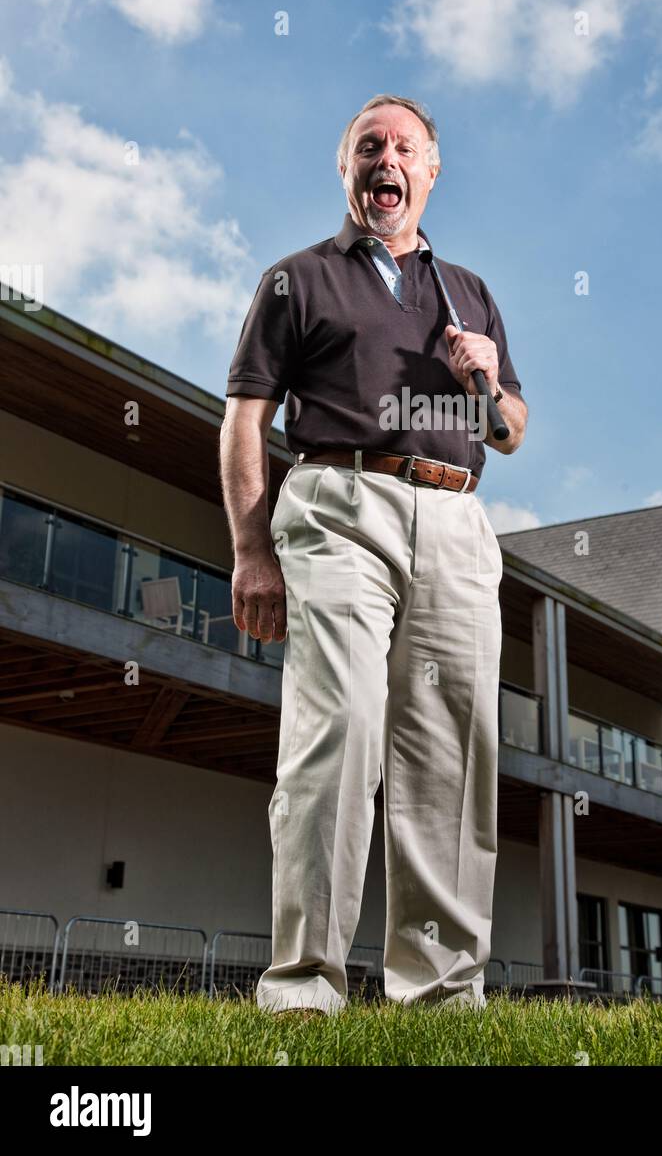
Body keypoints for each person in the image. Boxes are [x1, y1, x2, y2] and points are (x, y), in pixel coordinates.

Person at [220, 94, 527, 1016]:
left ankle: (440, 992)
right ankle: (305, 986)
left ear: (431, 171)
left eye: (403, 148)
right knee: (340, 732)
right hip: (338, 501)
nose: (384, 160)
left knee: (449, 758)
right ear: (346, 168)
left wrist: (484, 380)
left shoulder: (470, 293)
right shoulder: (296, 280)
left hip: (456, 518)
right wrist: (251, 550)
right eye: (368, 146)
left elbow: (510, 433)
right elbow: (243, 421)